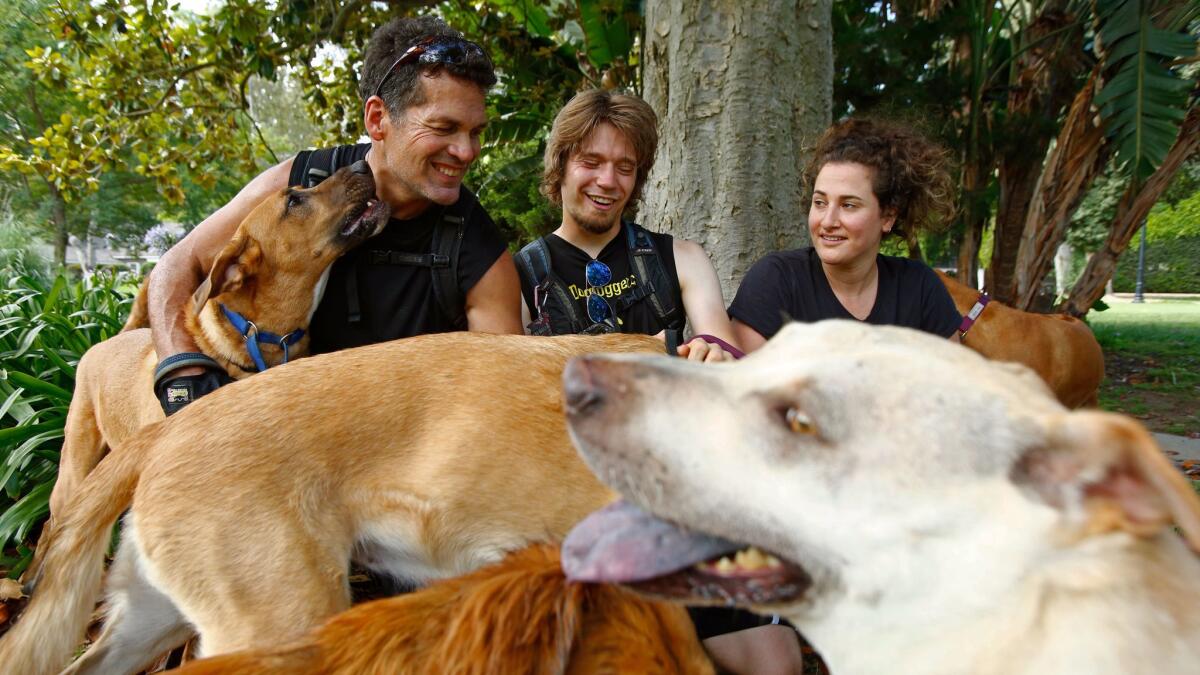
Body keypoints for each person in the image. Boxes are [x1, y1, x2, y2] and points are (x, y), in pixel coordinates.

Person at [147, 17, 522, 414]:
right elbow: (176, 264)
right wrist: (183, 378)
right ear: (378, 119)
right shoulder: (303, 183)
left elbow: (500, 394)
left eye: (475, 132)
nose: (466, 152)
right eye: (443, 128)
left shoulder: (478, 247)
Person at [514, 89, 738, 362]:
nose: (608, 181)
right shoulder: (520, 279)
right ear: (560, 165)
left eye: (624, 167)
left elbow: (725, 352)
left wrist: (716, 353)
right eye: (591, 162)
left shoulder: (684, 259)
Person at [729, 118, 962, 351]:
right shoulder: (775, 280)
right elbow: (743, 383)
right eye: (820, 202)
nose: (828, 221)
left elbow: (951, 382)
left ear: (888, 216)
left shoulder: (920, 287)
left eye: (848, 205)